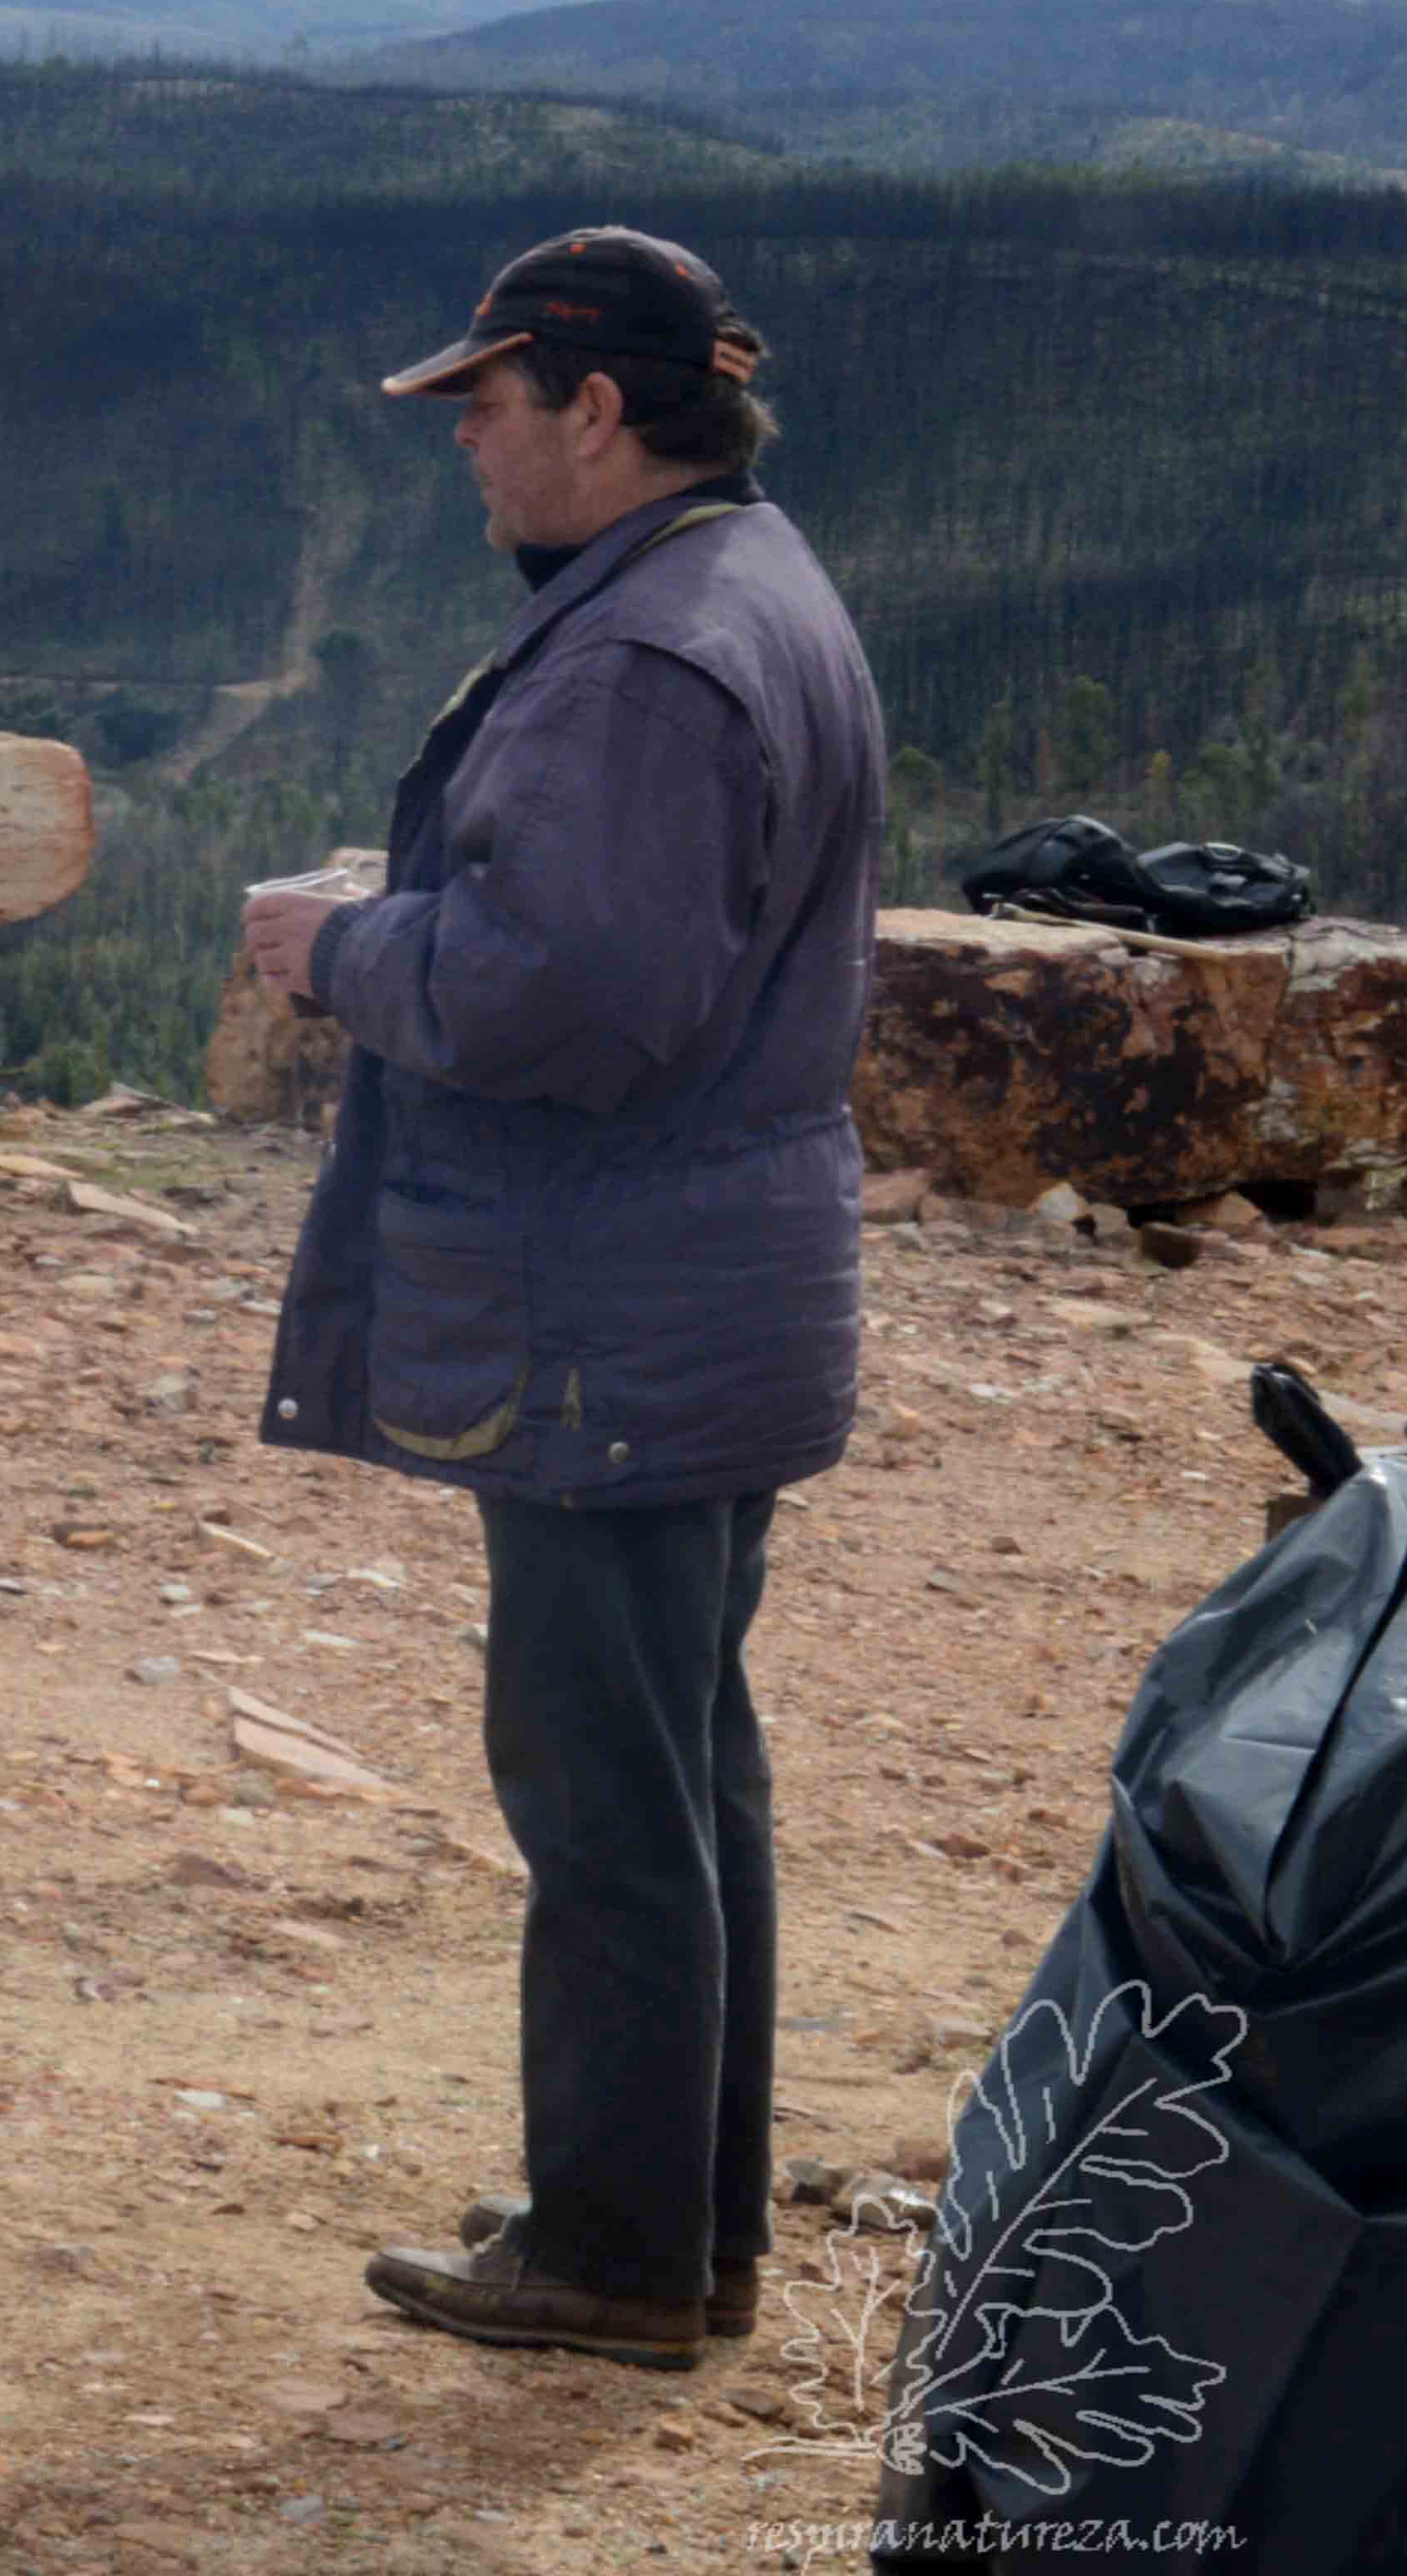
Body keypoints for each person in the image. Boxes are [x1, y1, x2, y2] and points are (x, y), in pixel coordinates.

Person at [246, 231, 879, 2369]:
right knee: (685, 1760)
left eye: (486, 407)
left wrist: (338, 946)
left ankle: (611, 2253)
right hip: (706, 1274)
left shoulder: (643, 658)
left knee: (606, 1783)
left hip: (606, 1294)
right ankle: (668, 2223)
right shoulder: (744, 580)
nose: (468, 451)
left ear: (594, 404)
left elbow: (570, 993)